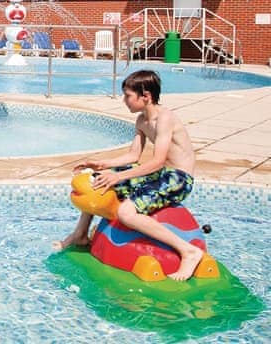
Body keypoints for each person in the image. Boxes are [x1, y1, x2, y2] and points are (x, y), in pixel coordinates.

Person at [53, 69, 204, 281]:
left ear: (146, 96)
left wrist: (119, 177)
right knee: (98, 180)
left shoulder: (165, 118)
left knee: (126, 213)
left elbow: (158, 160)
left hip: (178, 178)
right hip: (160, 173)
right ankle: (80, 234)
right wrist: (102, 164)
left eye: (128, 95)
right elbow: (134, 155)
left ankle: (188, 251)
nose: (124, 100)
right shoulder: (142, 120)